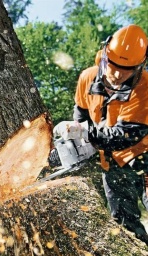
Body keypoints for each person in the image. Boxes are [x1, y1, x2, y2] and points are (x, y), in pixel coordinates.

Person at [54, 24, 148, 244]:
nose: (116, 73)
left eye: (126, 69)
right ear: (105, 53)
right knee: (125, 228)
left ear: (139, 65)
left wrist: (86, 132)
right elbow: (81, 118)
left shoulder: (145, 88)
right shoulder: (87, 78)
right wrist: (77, 137)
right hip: (112, 165)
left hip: (143, 158)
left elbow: (126, 135)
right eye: (113, 65)